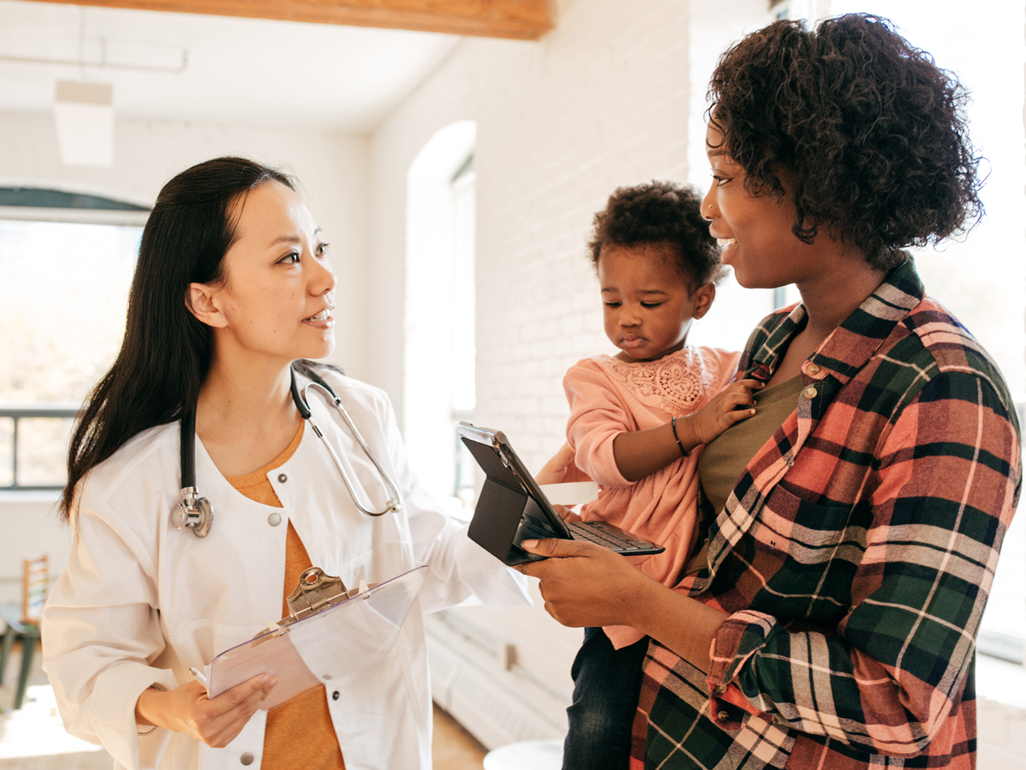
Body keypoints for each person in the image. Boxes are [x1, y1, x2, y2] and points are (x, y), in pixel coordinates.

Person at [522, 14, 1021, 770]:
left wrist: (641, 605)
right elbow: (717, 545)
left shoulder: (944, 387)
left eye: (724, 178)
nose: (707, 208)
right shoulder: (772, 341)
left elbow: (895, 703)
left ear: (814, 186)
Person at [41, 157, 529, 770]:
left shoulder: (361, 416)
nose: (325, 277)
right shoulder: (129, 484)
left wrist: (525, 525)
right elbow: (84, 663)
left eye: (318, 247)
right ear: (208, 301)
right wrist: (172, 708)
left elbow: (426, 558)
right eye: (288, 258)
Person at [550, 181, 759, 770]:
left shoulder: (724, 369)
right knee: (598, 722)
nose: (627, 319)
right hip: (622, 575)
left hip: (695, 592)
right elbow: (605, 458)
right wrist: (692, 429)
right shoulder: (595, 377)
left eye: (649, 300)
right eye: (612, 301)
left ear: (699, 300)